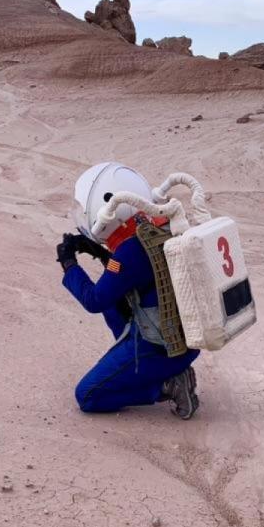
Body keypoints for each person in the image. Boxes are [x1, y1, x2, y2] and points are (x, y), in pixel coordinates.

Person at [56, 162, 201, 418]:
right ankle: (162, 370)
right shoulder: (158, 226)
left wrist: (69, 264)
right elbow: (131, 276)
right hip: (183, 338)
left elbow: (94, 300)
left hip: (159, 347)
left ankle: (167, 385)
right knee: (114, 301)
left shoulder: (130, 251)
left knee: (88, 395)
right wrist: (101, 253)